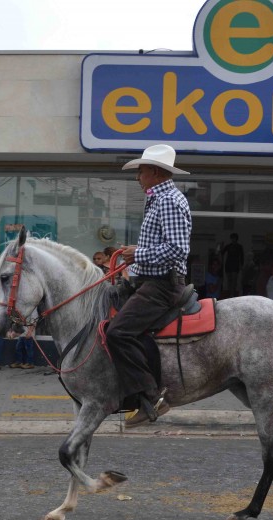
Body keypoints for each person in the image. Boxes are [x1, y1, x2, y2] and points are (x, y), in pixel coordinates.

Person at [108, 144, 192, 427]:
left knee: (118, 333)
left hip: (162, 286)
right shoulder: (157, 198)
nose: (137, 177)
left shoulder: (168, 200)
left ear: (155, 172)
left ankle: (151, 397)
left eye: (141, 171)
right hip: (150, 281)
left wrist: (139, 254)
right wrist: (137, 254)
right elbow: (164, 245)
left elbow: (178, 249)